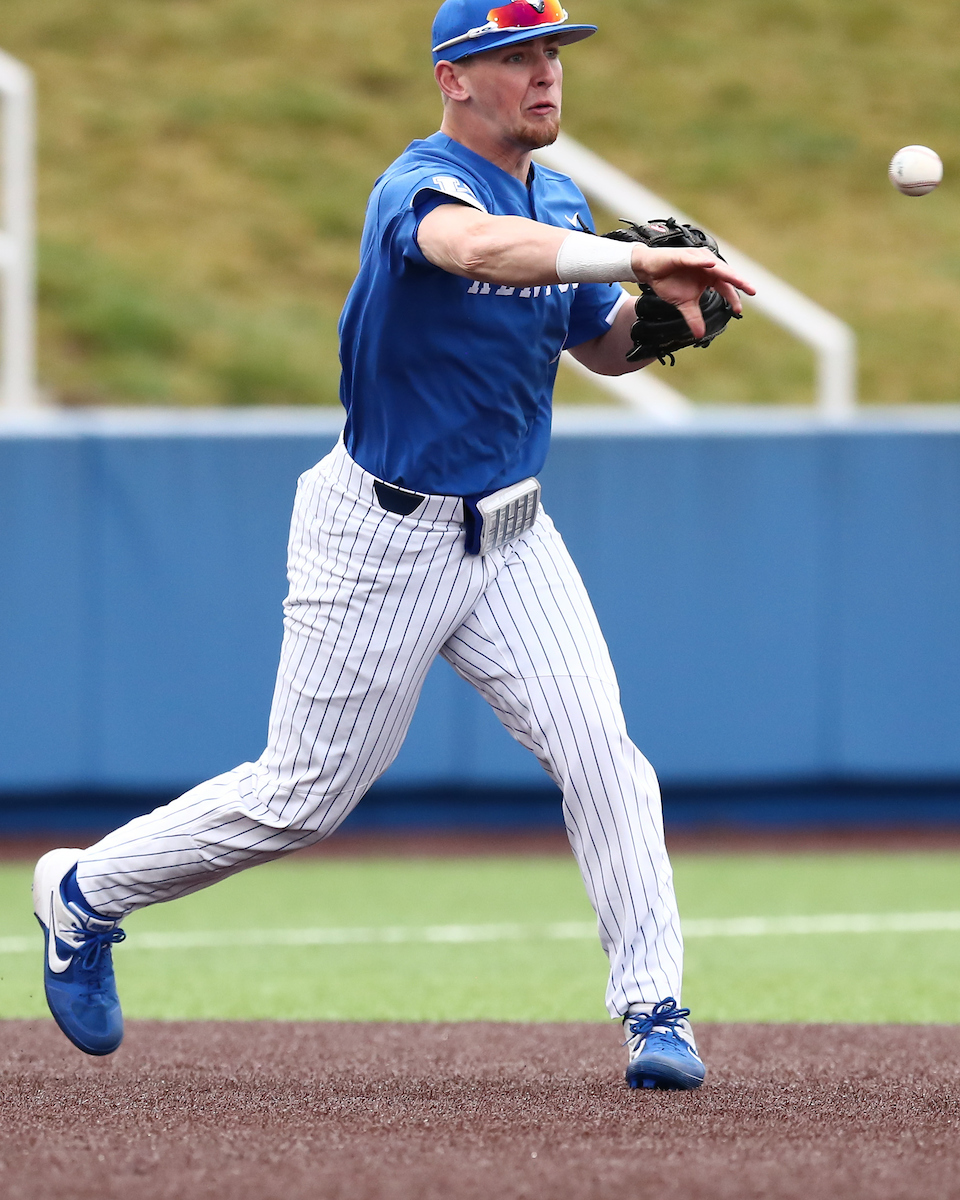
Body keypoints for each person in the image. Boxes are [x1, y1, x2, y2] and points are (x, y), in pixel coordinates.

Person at [33, 0, 754, 1089]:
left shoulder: (554, 194)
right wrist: (621, 255)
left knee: (603, 753)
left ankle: (656, 1013)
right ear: (453, 79)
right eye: (514, 54)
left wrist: (655, 326)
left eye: (554, 51)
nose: (546, 74)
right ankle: (84, 892)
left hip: (513, 534)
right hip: (381, 534)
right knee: (301, 797)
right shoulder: (419, 185)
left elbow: (594, 344)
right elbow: (474, 247)